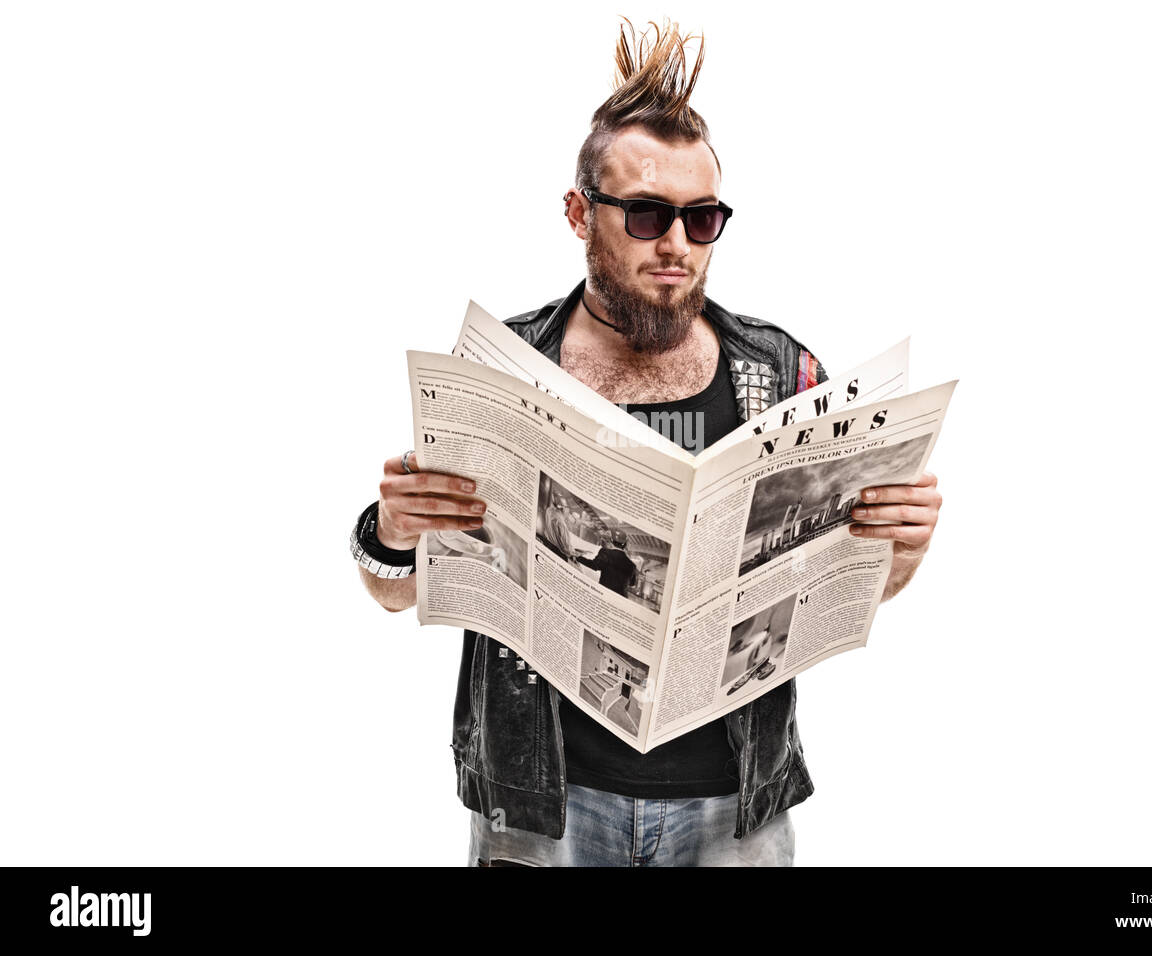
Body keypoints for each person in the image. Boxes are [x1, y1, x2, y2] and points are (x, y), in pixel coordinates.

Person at [349, 17, 942, 867]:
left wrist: (904, 544)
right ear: (578, 213)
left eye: (702, 220)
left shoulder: (784, 373)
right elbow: (394, 594)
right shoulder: (505, 368)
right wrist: (393, 534)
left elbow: (858, 591)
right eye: (646, 215)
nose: (675, 247)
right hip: (540, 809)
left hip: (734, 806)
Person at [575, 528, 639, 599]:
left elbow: (594, 565)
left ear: (611, 540)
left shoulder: (606, 552)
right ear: (624, 544)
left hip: (604, 595)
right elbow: (632, 584)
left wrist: (577, 556)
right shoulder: (632, 565)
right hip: (622, 598)